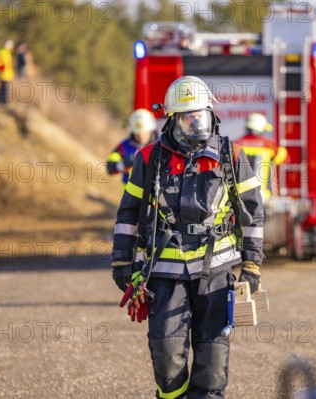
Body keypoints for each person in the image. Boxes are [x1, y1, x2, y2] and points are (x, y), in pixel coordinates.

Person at [111, 76, 264, 399]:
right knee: (166, 353)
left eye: (202, 116)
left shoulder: (231, 155)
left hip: (217, 269)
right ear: (173, 120)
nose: (197, 125)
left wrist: (251, 265)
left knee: (212, 356)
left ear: (212, 115)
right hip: (164, 270)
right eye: (189, 118)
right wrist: (122, 260)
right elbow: (128, 212)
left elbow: (252, 214)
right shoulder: (150, 158)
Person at [235, 112, 287, 201]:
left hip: (239, 197)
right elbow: (284, 159)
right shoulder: (270, 146)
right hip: (263, 196)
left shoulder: (236, 144)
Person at [107, 108, 158, 187]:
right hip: (129, 196)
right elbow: (110, 167)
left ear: (150, 130)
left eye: (144, 132)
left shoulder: (160, 146)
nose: (141, 136)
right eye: (137, 132)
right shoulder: (124, 146)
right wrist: (123, 164)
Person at [0, 39, 14, 104]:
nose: (12, 47)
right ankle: (2, 102)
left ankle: (0, 101)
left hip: (6, 74)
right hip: (3, 74)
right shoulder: (2, 52)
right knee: (3, 88)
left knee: (4, 88)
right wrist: (2, 70)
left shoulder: (8, 53)